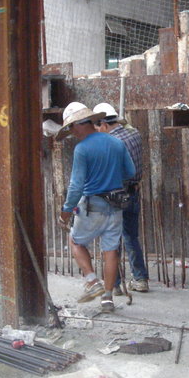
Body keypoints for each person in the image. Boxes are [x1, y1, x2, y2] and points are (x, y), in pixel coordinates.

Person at [56, 102, 136, 312]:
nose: (72, 132)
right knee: (110, 250)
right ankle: (107, 298)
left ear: (79, 124)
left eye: (71, 127)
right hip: (116, 205)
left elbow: (76, 186)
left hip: (91, 205)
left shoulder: (82, 149)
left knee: (75, 241)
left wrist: (66, 212)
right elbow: (130, 172)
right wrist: (110, 174)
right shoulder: (117, 143)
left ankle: (92, 281)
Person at [93, 102, 149, 293]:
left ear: (104, 125)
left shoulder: (109, 144)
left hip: (115, 196)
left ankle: (114, 284)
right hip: (133, 192)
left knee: (111, 241)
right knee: (131, 237)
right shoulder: (135, 134)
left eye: (98, 127)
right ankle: (140, 279)